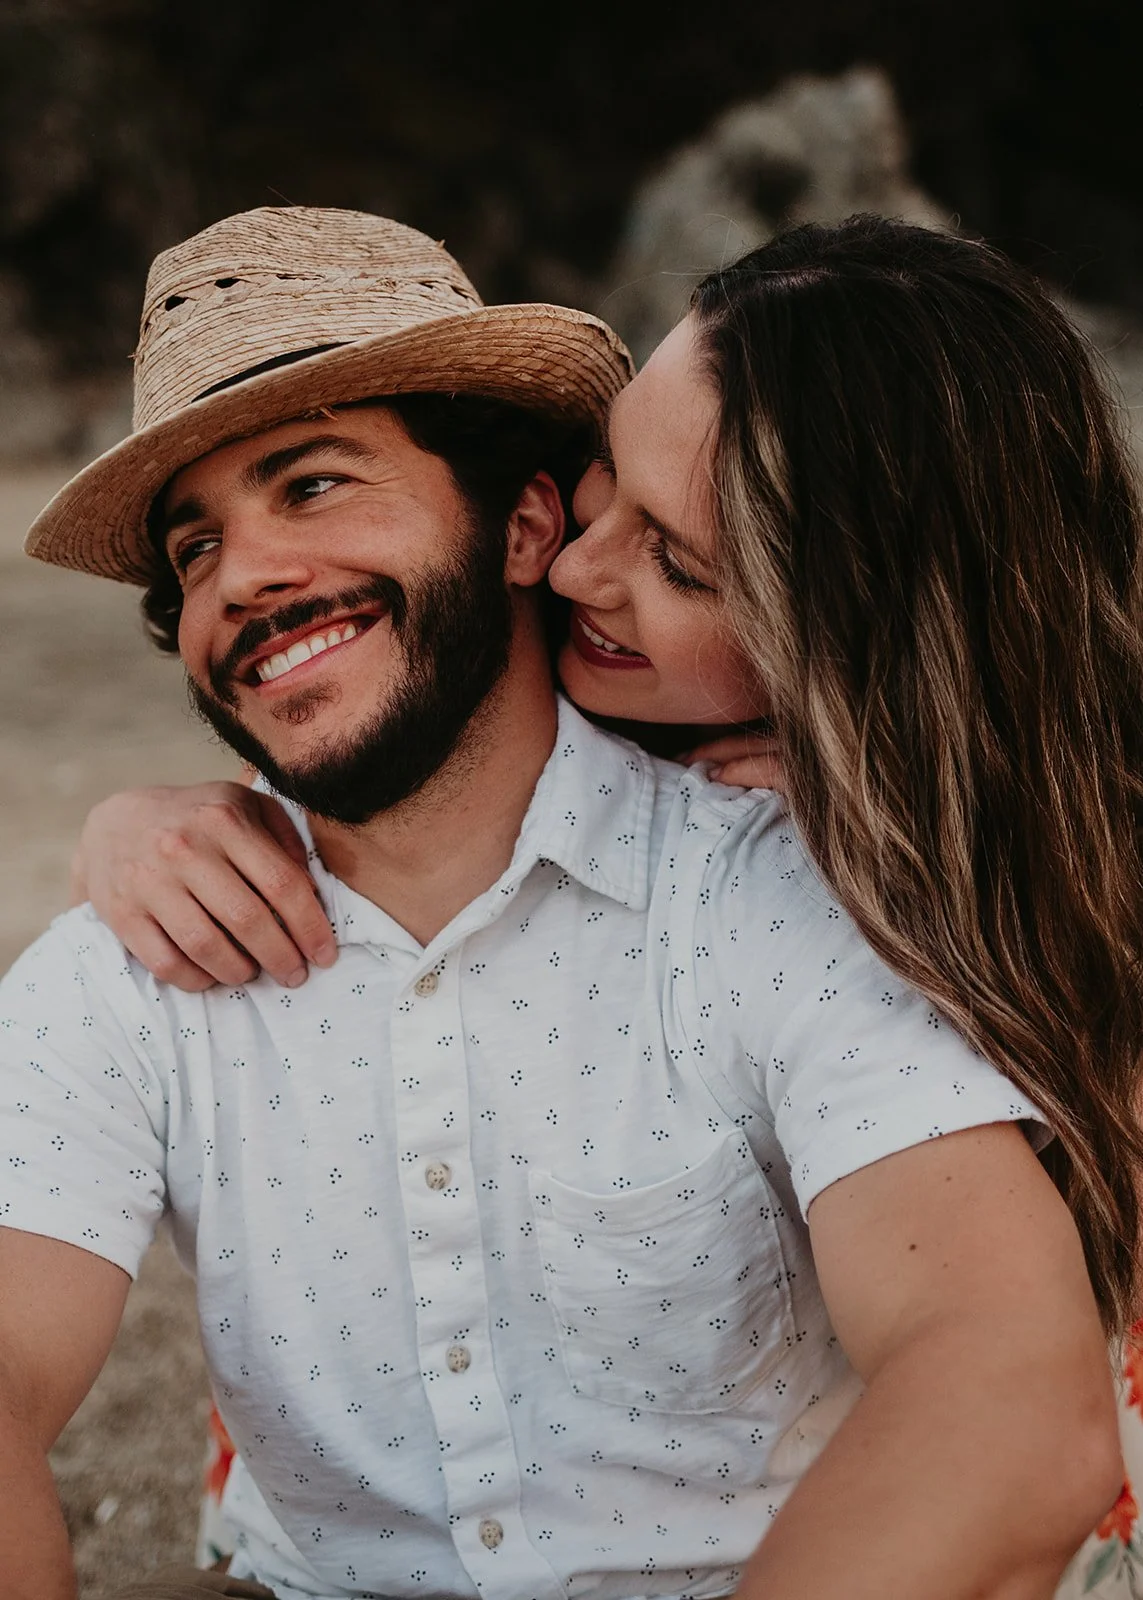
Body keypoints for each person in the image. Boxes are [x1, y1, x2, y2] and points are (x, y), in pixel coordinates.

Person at [1, 205, 1129, 1600]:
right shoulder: (131, 960)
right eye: (193, 551)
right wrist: (122, 834)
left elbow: (999, 1385)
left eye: (309, 487)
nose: (243, 577)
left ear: (521, 521)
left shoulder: (797, 880)